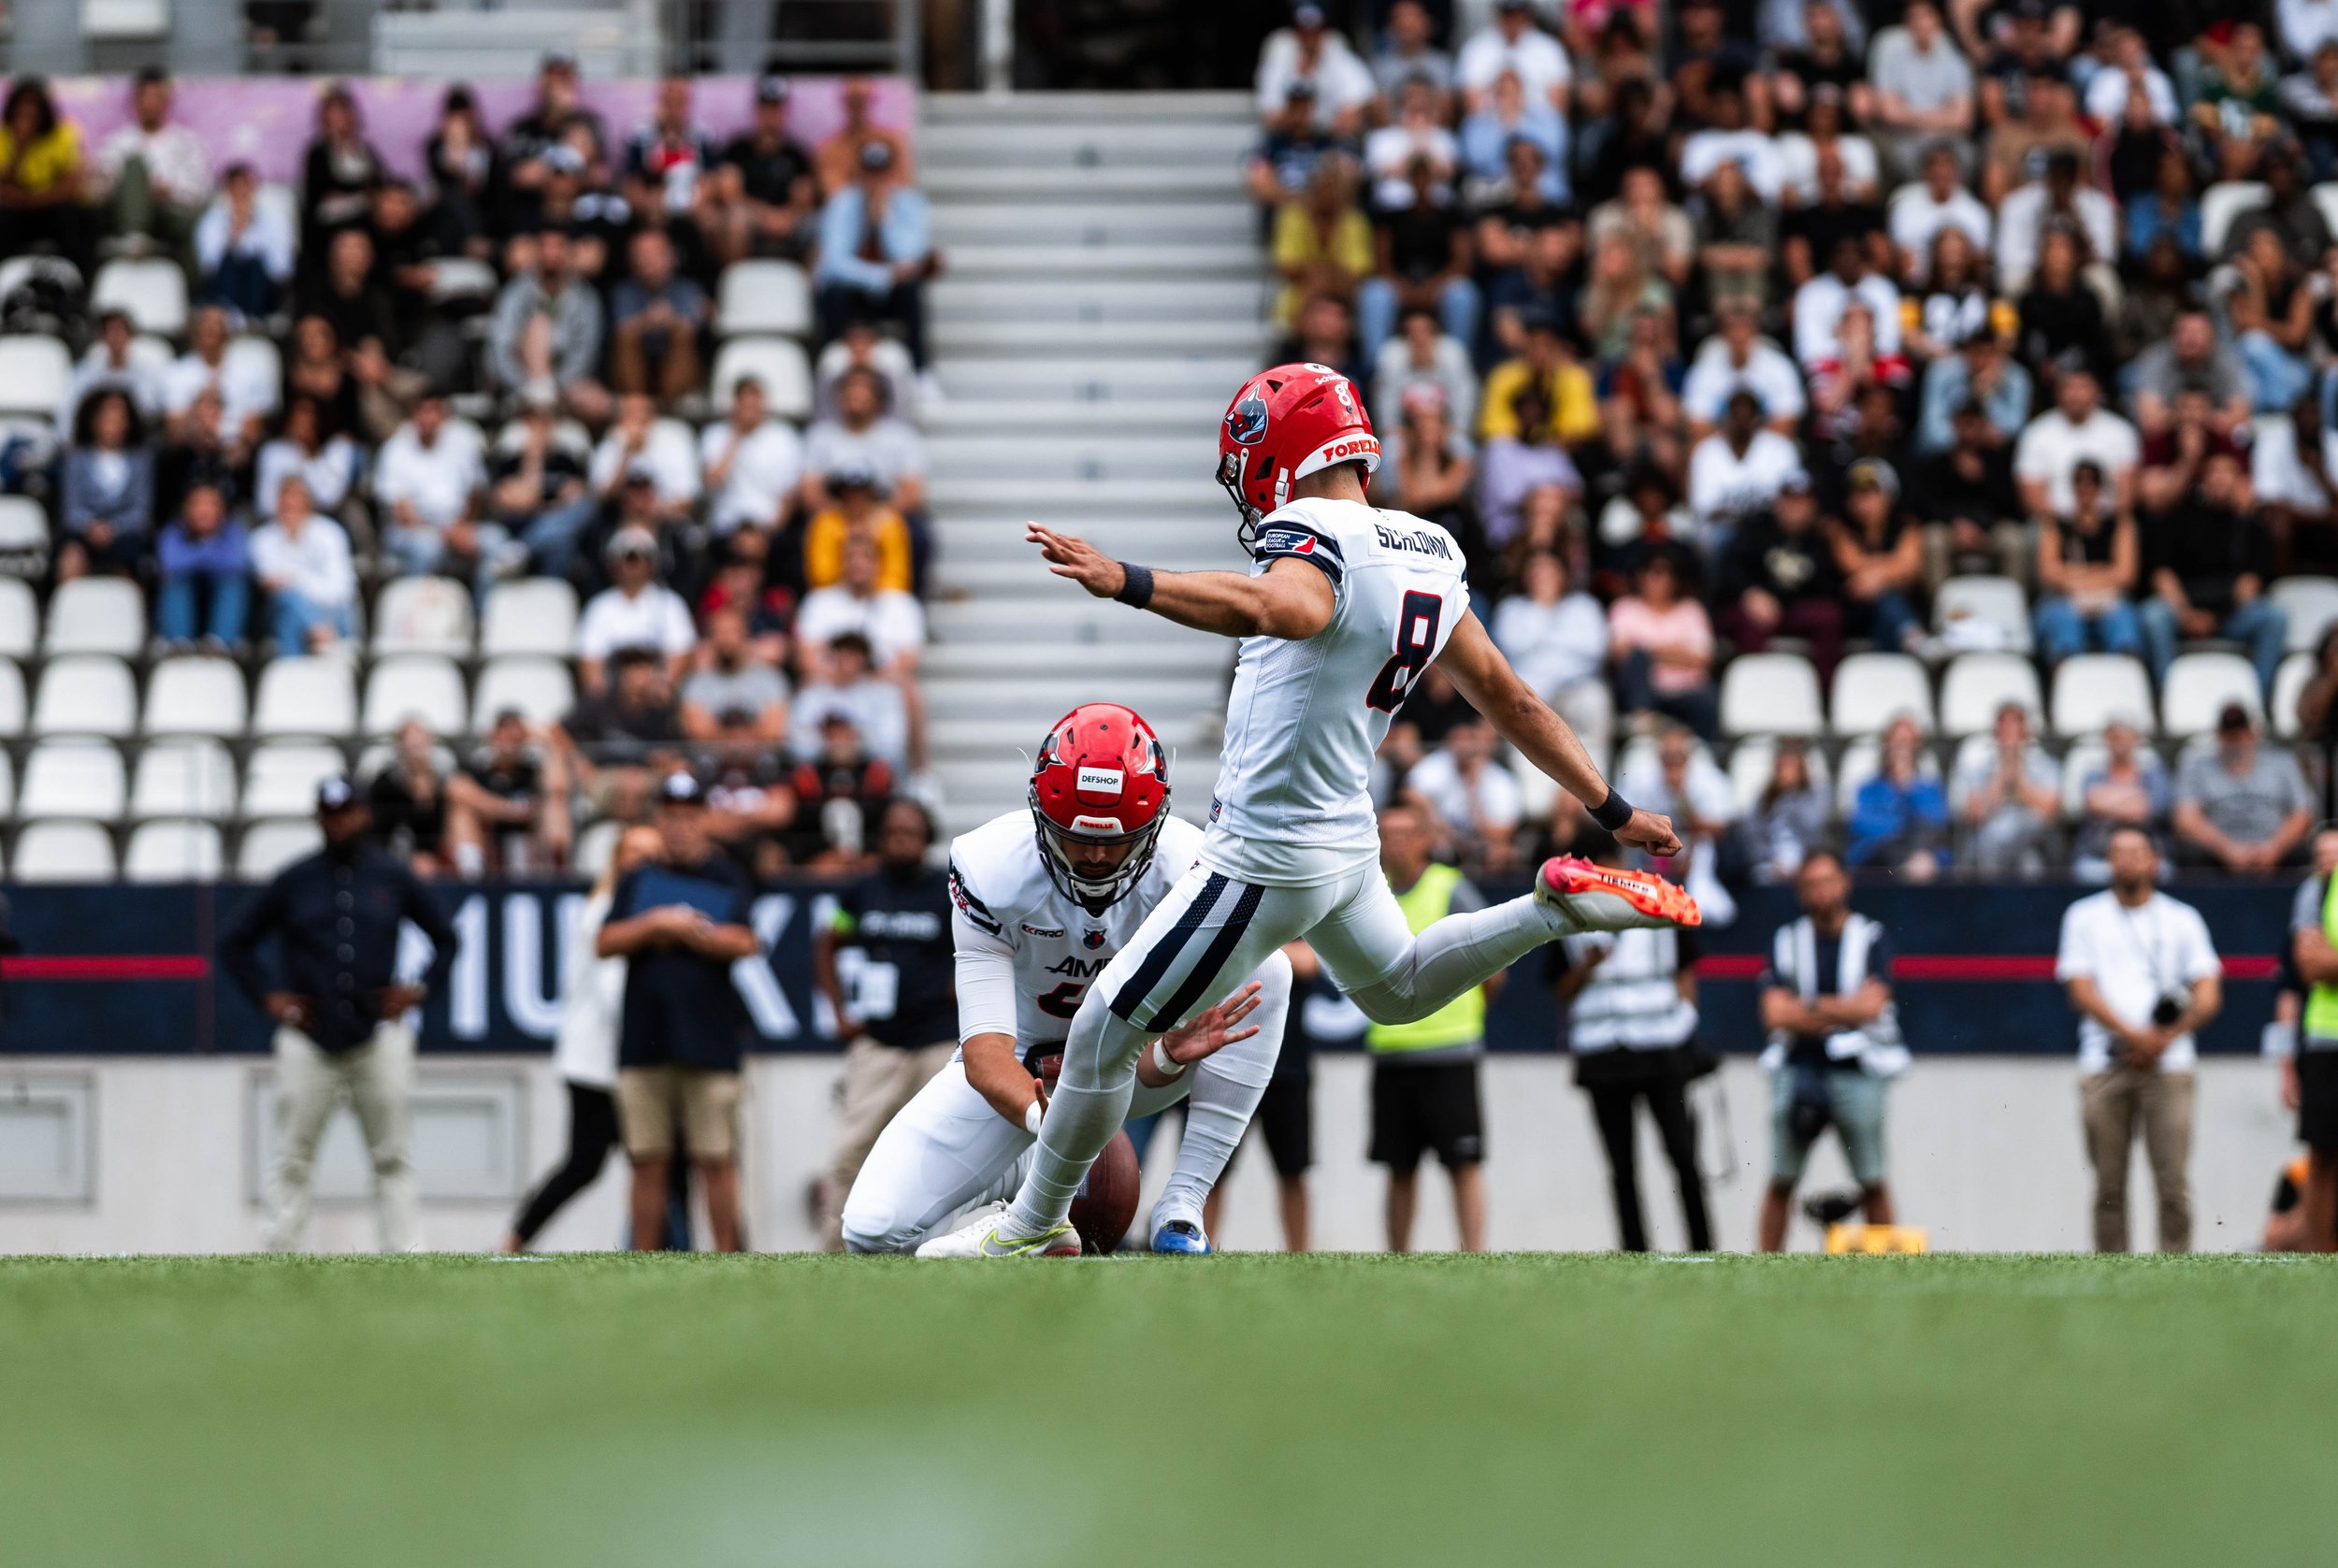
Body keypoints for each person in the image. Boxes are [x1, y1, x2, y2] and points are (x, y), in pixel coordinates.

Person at [921, 363, 1693, 1259]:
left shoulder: (1311, 529)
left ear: (1284, 451)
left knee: (1102, 1024)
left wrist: (1126, 580)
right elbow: (1512, 699)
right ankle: (1547, 907)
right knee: (1399, 987)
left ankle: (1029, 1227)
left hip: (1267, 852)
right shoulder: (1431, 548)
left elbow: (1276, 605)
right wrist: (1613, 808)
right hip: (1345, 840)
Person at [841, 705, 1291, 1256]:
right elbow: (984, 1052)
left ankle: (1183, 1204)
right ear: (1040, 813)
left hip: (1136, 1068)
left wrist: (1170, 1055)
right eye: (1077, 838)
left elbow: (1143, 1063)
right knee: (871, 1229)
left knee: (1269, 968)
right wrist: (1045, 1122)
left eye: (1118, 839)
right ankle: (1021, 1199)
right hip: (1019, 1074)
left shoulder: (1190, 869)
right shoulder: (991, 868)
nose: (1097, 856)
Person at [220, 776, 458, 1253]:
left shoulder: (392, 875)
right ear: (318, 817)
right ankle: (279, 1255)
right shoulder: (296, 879)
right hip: (310, 1038)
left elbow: (447, 938)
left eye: (347, 811)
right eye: (330, 813)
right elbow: (234, 941)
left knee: (392, 1155)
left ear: (365, 814)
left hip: (377, 1035)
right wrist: (269, 996)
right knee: (292, 1156)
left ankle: (406, 1257)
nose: (339, 821)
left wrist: (419, 991)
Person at [598, 774, 762, 1253]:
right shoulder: (637, 878)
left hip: (710, 1039)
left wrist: (693, 931)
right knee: (647, 1160)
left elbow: (746, 941)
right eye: (671, 816)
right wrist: (654, 923)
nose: (680, 827)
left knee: (716, 1158)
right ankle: (645, 1260)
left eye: (689, 817)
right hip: (645, 1038)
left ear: (702, 819)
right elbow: (605, 942)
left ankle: (730, 1259)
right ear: (659, 819)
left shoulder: (726, 874)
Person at [2057, 826, 2223, 1253]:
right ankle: (2112, 1273)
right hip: (2105, 1062)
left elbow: (2208, 992)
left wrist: (2165, 1038)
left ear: (2154, 861)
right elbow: (2081, 990)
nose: (2127, 860)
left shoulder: (2182, 919)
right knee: (2108, 1184)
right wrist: (2135, 1036)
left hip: (2169, 1066)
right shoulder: (2084, 917)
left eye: (2136, 852)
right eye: (2117, 852)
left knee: (2173, 1182)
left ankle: (2176, 1270)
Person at [502, 824, 663, 1251]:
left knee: (641, 1162)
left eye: (651, 854)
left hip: (608, 1057)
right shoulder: (610, 910)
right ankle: (516, 1239)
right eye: (634, 853)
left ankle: (652, 1246)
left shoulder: (617, 906)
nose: (643, 863)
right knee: (596, 1162)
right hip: (603, 1061)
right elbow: (614, 993)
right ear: (617, 859)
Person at [1551, 836, 1710, 1253]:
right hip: (1604, 1053)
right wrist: (1585, 967)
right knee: (1622, 1167)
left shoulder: (1661, 900)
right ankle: (1634, 1251)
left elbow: (1686, 972)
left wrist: (1686, 1026)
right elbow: (1559, 989)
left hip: (1661, 1047)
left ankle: (1703, 1249)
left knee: (1683, 1157)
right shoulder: (1567, 910)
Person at [813, 799, 958, 1250]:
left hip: (935, 1040)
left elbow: (981, 942)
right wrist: (839, 1011)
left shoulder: (947, 890)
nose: (900, 840)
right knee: (851, 1151)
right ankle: (835, 1248)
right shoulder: (861, 891)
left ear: (926, 838)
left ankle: (938, 1246)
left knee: (944, 1151)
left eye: (910, 833)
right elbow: (828, 940)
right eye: (893, 832)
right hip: (878, 1041)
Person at [1757, 850, 1906, 1252]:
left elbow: (1871, 1007)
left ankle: (1889, 1271)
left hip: (1858, 1068)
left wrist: (1806, 1007)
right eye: (1810, 884)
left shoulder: (1869, 936)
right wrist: (1842, 1009)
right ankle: (1763, 1266)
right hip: (1798, 1065)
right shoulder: (1788, 940)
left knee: (1872, 1177)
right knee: (1780, 1176)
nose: (1819, 892)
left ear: (1844, 883)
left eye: (1826, 881)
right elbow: (1773, 1013)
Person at [1366, 802, 1495, 1254]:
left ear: (1425, 841)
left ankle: (1472, 1253)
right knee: (1398, 1167)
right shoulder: (1370, 894)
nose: (1394, 842)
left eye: (1405, 833)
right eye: (1388, 833)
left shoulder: (1450, 888)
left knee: (1463, 1162)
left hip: (1450, 1051)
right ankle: (1397, 1257)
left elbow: (1491, 965)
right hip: (1391, 1053)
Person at [813, 140, 934, 366]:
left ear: (891, 172)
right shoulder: (841, 203)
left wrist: (884, 221)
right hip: (853, 291)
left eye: (881, 172)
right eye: (870, 172)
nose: (875, 179)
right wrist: (880, 276)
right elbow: (834, 262)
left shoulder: (911, 203)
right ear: (860, 173)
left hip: (891, 293)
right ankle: (830, 365)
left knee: (911, 292)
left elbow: (912, 257)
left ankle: (920, 371)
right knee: (833, 295)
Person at [2172, 705, 2315, 873]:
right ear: (2218, 735)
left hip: (2275, 847)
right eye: (2229, 734)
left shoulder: (2282, 762)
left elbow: (2303, 813)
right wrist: (2227, 849)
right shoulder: (2197, 765)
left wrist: (2274, 847)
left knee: (2306, 853)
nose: (2235, 739)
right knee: (2189, 856)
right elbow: (2186, 818)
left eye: (2240, 733)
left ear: (2253, 733)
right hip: (2218, 851)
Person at [2286, 829, 2338, 1252]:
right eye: (2321, 853)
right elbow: (2309, 964)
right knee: (2322, 1155)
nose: (2328, 860)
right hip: (2326, 1037)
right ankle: (2317, 1262)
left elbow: (2325, 959)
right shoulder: (2317, 891)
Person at [575, 526, 697, 694]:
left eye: (641, 559)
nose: (633, 565)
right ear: (614, 564)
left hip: (657, 693)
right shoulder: (599, 607)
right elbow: (589, 659)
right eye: (628, 559)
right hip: (613, 696)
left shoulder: (670, 603)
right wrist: (603, 703)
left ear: (652, 564)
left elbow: (680, 653)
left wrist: (661, 690)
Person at [249, 476, 357, 654]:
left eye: (297, 497)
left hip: (332, 614)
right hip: (282, 613)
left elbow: (340, 589)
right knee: (287, 605)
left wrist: (295, 580)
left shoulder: (330, 533)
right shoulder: (262, 539)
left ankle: (290, 673)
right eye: (286, 496)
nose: (290, 503)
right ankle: (315, 628)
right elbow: (272, 585)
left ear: (309, 501)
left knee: (291, 610)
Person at [1956, 702, 2061, 873]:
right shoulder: (1979, 767)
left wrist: (2018, 773)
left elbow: (2049, 812)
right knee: (1990, 841)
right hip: (1989, 845)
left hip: (2032, 841)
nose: (2009, 735)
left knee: (2030, 856)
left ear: (2026, 732)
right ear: (1996, 733)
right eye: (2004, 729)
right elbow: (1975, 814)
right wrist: (2001, 774)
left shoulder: (2046, 766)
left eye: (2015, 728)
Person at [154, 481, 249, 649]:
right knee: (175, 581)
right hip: (187, 589)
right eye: (198, 504)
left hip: (218, 588)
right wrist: (208, 551)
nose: (204, 511)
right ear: (186, 510)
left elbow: (236, 563)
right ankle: (179, 643)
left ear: (222, 511)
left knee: (233, 582)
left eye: (211, 505)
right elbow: (170, 564)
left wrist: (196, 554)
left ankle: (219, 643)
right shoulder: (172, 530)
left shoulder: (233, 529)